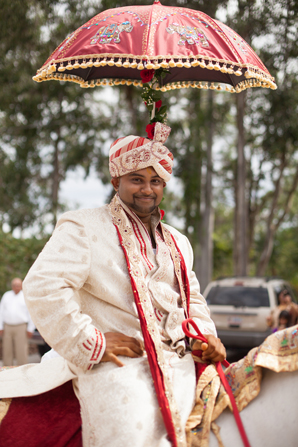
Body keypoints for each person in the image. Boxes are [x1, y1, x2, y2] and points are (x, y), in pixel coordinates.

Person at [0, 123, 225, 447]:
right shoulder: (84, 227)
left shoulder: (178, 241)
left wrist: (206, 336)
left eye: (155, 180)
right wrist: (90, 341)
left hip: (183, 362)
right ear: (115, 180)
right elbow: (42, 286)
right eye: (137, 179)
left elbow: (192, 300)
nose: (147, 189)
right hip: (120, 367)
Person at [0, 278, 35, 366]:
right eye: (15, 285)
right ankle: (7, 369)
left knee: (21, 350)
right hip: (7, 326)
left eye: (18, 285)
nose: (16, 287)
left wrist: (31, 328)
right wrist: (0, 327)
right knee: (7, 349)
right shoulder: (6, 295)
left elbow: (31, 313)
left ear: (21, 286)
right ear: (12, 286)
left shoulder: (25, 296)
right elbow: (1, 311)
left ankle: (22, 369)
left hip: (21, 326)